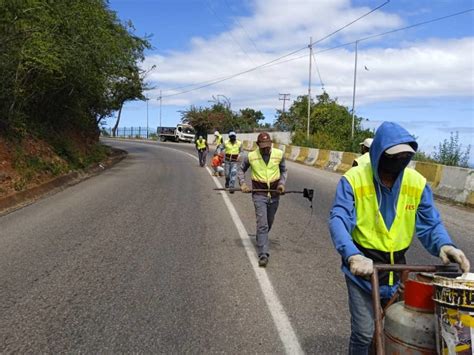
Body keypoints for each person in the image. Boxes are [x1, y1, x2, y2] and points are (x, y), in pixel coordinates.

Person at [329, 121, 470, 355]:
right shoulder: (354, 179)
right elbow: (339, 218)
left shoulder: (416, 182)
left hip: (397, 269)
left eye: (403, 157)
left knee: (392, 330)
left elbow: (430, 223)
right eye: (391, 157)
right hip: (363, 267)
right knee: (364, 333)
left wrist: (445, 244)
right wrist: (351, 253)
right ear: (378, 154)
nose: (396, 163)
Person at [238, 132, 287, 267]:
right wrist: (243, 184)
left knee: (269, 222)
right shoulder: (251, 156)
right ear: (258, 145)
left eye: (268, 145)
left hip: (275, 193)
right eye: (262, 146)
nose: (265, 148)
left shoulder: (279, 154)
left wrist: (282, 184)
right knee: (263, 224)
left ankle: (261, 237)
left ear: (271, 143)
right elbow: (241, 170)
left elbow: (284, 171)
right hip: (259, 194)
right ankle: (263, 254)